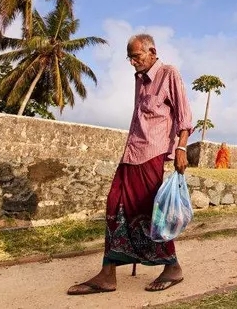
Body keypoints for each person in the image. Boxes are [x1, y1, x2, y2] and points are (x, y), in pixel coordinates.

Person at [67, 33, 193, 295]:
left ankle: (172, 266)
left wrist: (181, 148)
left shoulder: (169, 73)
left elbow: (184, 116)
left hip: (152, 154)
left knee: (147, 212)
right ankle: (107, 273)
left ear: (151, 51)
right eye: (130, 58)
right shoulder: (139, 80)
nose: (132, 62)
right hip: (131, 154)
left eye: (136, 56)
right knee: (115, 205)